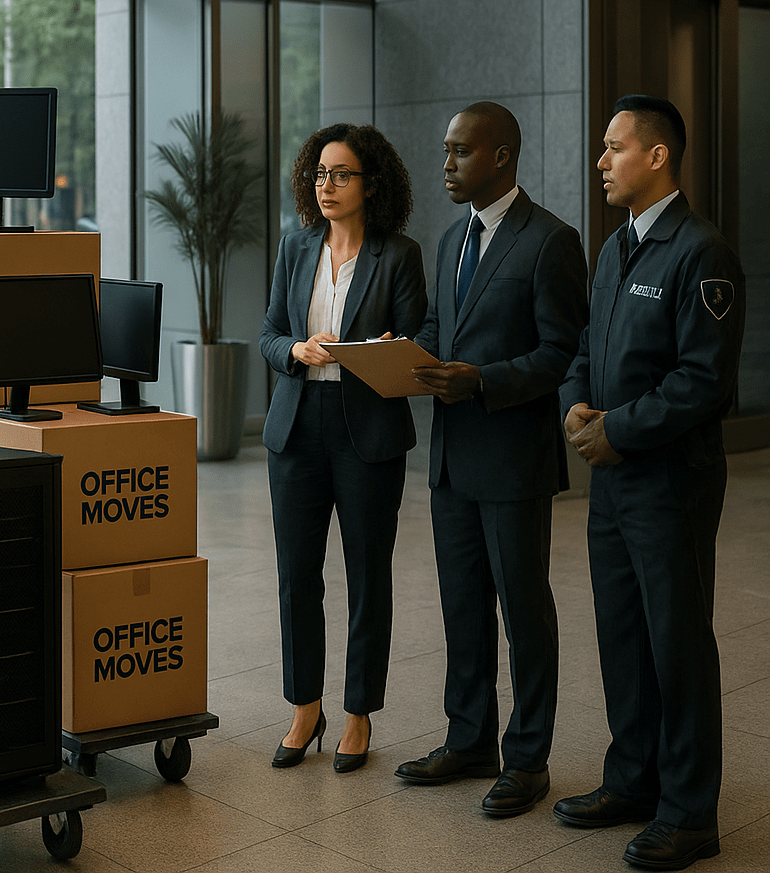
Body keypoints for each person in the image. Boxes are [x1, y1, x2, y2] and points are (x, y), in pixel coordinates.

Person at [556, 95, 744, 871]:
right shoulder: (614, 250)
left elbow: (705, 382)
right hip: (612, 484)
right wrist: (574, 400)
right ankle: (632, 780)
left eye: (614, 148)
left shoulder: (701, 253)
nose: (601, 161)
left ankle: (689, 811)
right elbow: (587, 346)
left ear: (658, 157)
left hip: (671, 483)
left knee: (677, 645)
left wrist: (617, 432)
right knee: (624, 639)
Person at [393, 102, 588, 816]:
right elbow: (443, 330)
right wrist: (405, 357)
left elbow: (562, 354)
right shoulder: (450, 241)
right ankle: (470, 738)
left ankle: (528, 758)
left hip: (513, 462)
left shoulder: (551, 242)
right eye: (446, 152)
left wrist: (483, 379)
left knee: (523, 611)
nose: (446, 164)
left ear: (501, 155)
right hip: (452, 463)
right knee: (462, 607)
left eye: (460, 152)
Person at [259, 123, 427, 773]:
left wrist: (382, 352)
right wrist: (294, 352)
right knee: (297, 578)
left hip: (368, 433)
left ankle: (358, 713)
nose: (326, 186)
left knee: (367, 576)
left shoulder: (399, 254)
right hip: (298, 427)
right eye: (320, 174)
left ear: (371, 183)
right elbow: (271, 331)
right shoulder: (296, 246)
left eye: (342, 174)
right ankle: (306, 707)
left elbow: (417, 344)